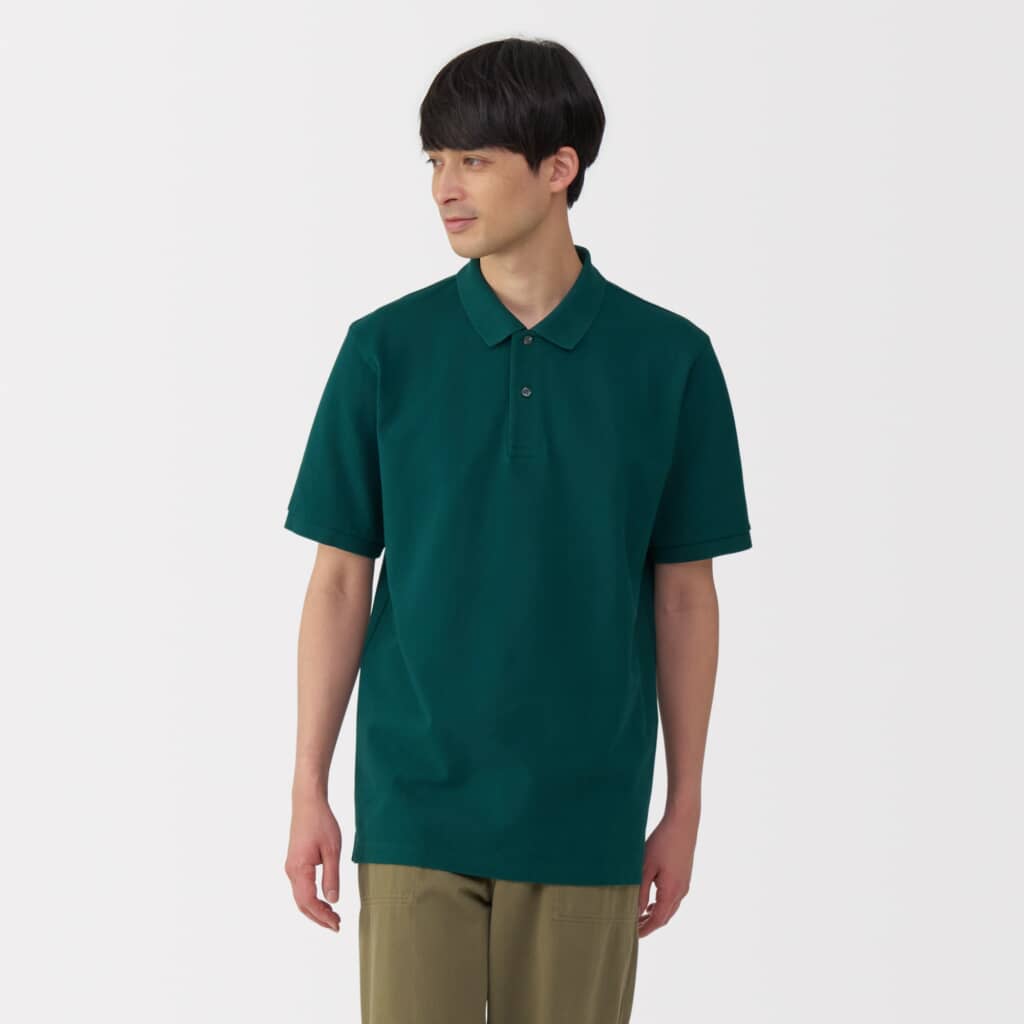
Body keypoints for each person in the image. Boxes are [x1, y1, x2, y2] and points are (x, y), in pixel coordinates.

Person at [283, 35, 752, 1024]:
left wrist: (685, 805)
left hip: (587, 809)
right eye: (434, 160)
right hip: (414, 805)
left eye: (474, 159)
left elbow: (684, 596)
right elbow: (338, 581)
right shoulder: (384, 351)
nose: (444, 188)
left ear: (558, 168)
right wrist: (307, 787)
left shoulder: (669, 360)